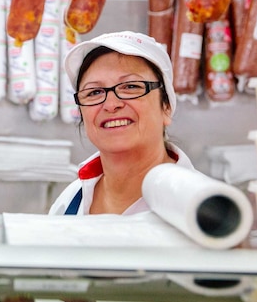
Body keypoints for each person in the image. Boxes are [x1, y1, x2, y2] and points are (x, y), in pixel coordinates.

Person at [48, 31, 195, 215]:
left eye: (131, 87)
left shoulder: (203, 206)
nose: (111, 105)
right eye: (94, 92)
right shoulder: (70, 201)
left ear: (166, 106)